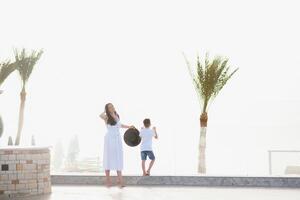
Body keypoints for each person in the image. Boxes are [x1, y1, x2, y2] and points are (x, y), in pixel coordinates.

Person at [99, 103, 133, 188]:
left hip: (117, 139)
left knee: (118, 158)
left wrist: (129, 127)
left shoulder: (117, 115)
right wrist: (105, 111)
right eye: (109, 107)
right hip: (110, 139)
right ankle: (108, 181)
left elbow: (120, 125)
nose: (112, 108)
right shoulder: (106, 117)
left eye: (112, 106)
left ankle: (120, 181)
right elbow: (100, 115)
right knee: (109, 158)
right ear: (107, 109)